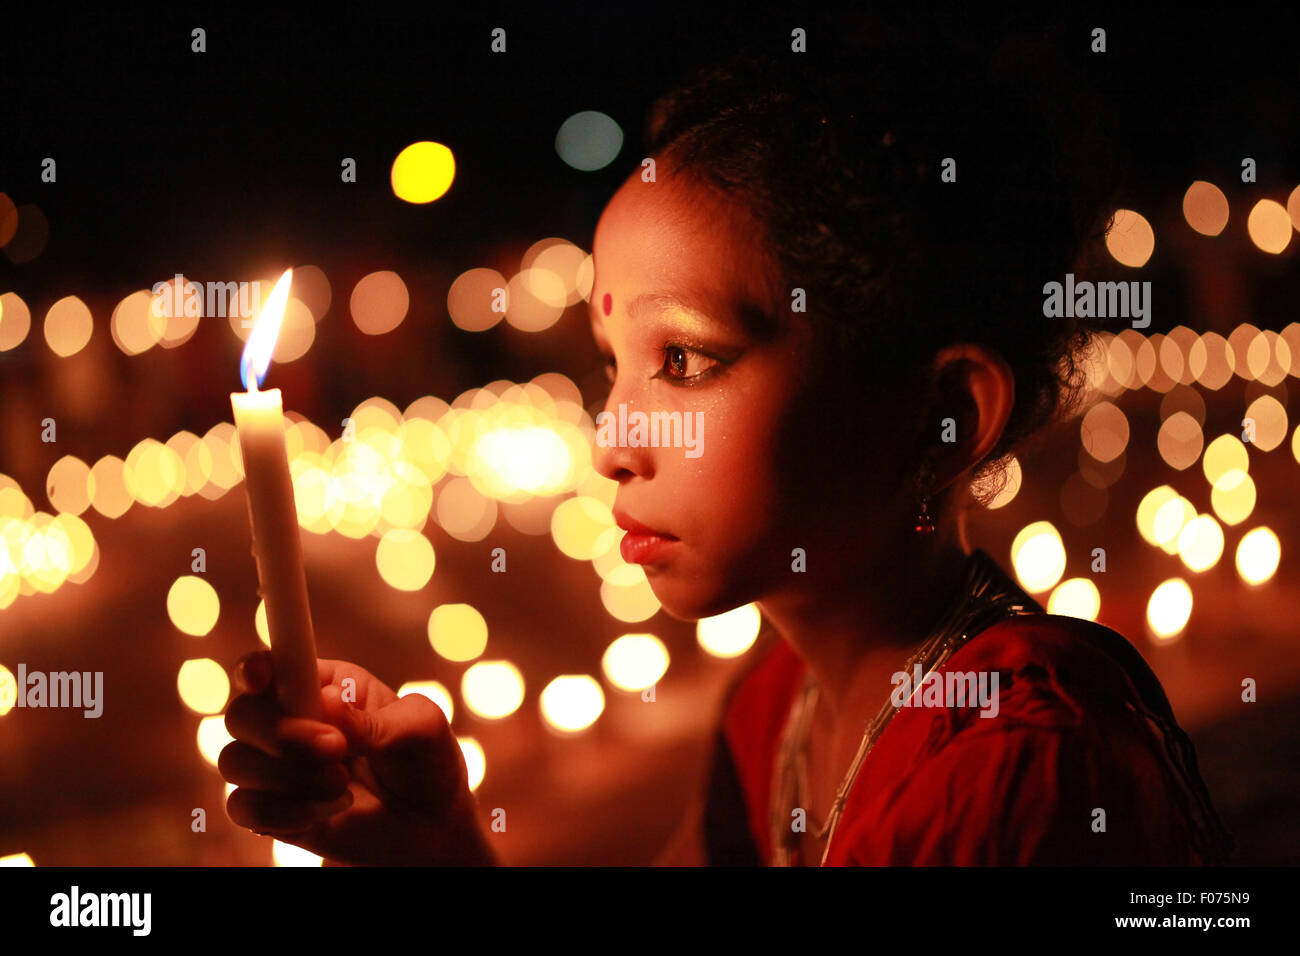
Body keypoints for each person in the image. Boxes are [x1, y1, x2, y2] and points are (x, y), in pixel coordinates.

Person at [220, 31, 1234, 866]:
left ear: (942, 419)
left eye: (687, 360)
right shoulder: (774, 704)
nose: (615, 441)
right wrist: (434, 844)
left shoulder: (1015, 761)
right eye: (613, 364)